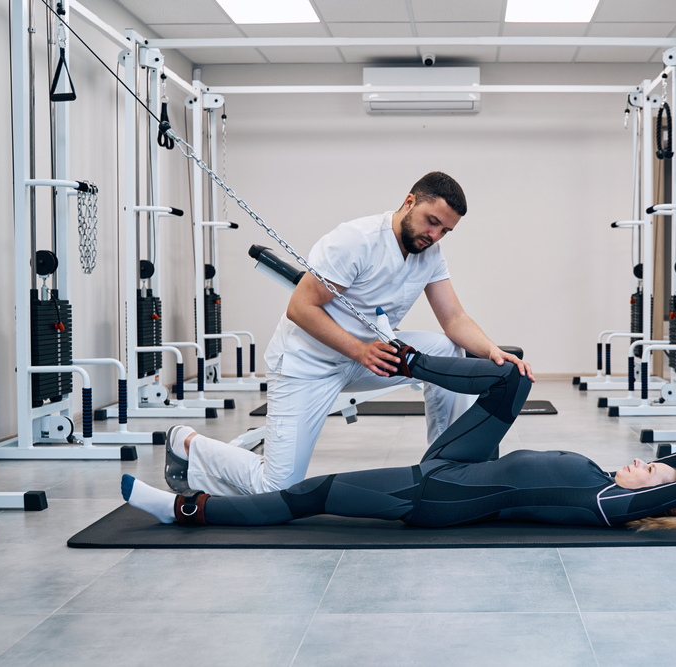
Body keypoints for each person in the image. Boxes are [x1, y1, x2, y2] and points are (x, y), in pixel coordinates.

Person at [129, 352, 676, 535]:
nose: (645, 461)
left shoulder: (612, 502)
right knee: (511, 377)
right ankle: (408, 360)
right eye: (651, 460)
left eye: (649, 469)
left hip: (438, 494)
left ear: (649, 493)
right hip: (464, 462)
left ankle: (185, 510)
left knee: (306, 495)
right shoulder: (616, 479)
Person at [171, 172, 533, 497]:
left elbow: (453, 317)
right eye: (432, 222)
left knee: (448, 347)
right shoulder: (356, 240)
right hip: (307, 365)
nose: (434, 235)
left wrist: (492, 352)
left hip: (366, 359)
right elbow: (300, 308)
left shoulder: (431, 254)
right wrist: (360, 351)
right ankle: (187, 444)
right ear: (410, 202)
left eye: (445, 231)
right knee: (277, 487)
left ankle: (448, 467)